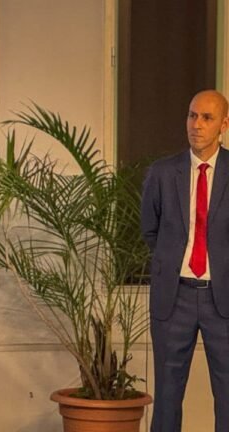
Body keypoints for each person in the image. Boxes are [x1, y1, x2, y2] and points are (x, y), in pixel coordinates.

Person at [141, 89, 229, 432]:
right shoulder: (163, 173)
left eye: (206, 118)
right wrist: (170, 264)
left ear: (223, 124)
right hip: (173, 297)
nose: (197, 124)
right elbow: (151, 230)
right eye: (192, 116)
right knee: (166, 395)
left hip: (222, 299)